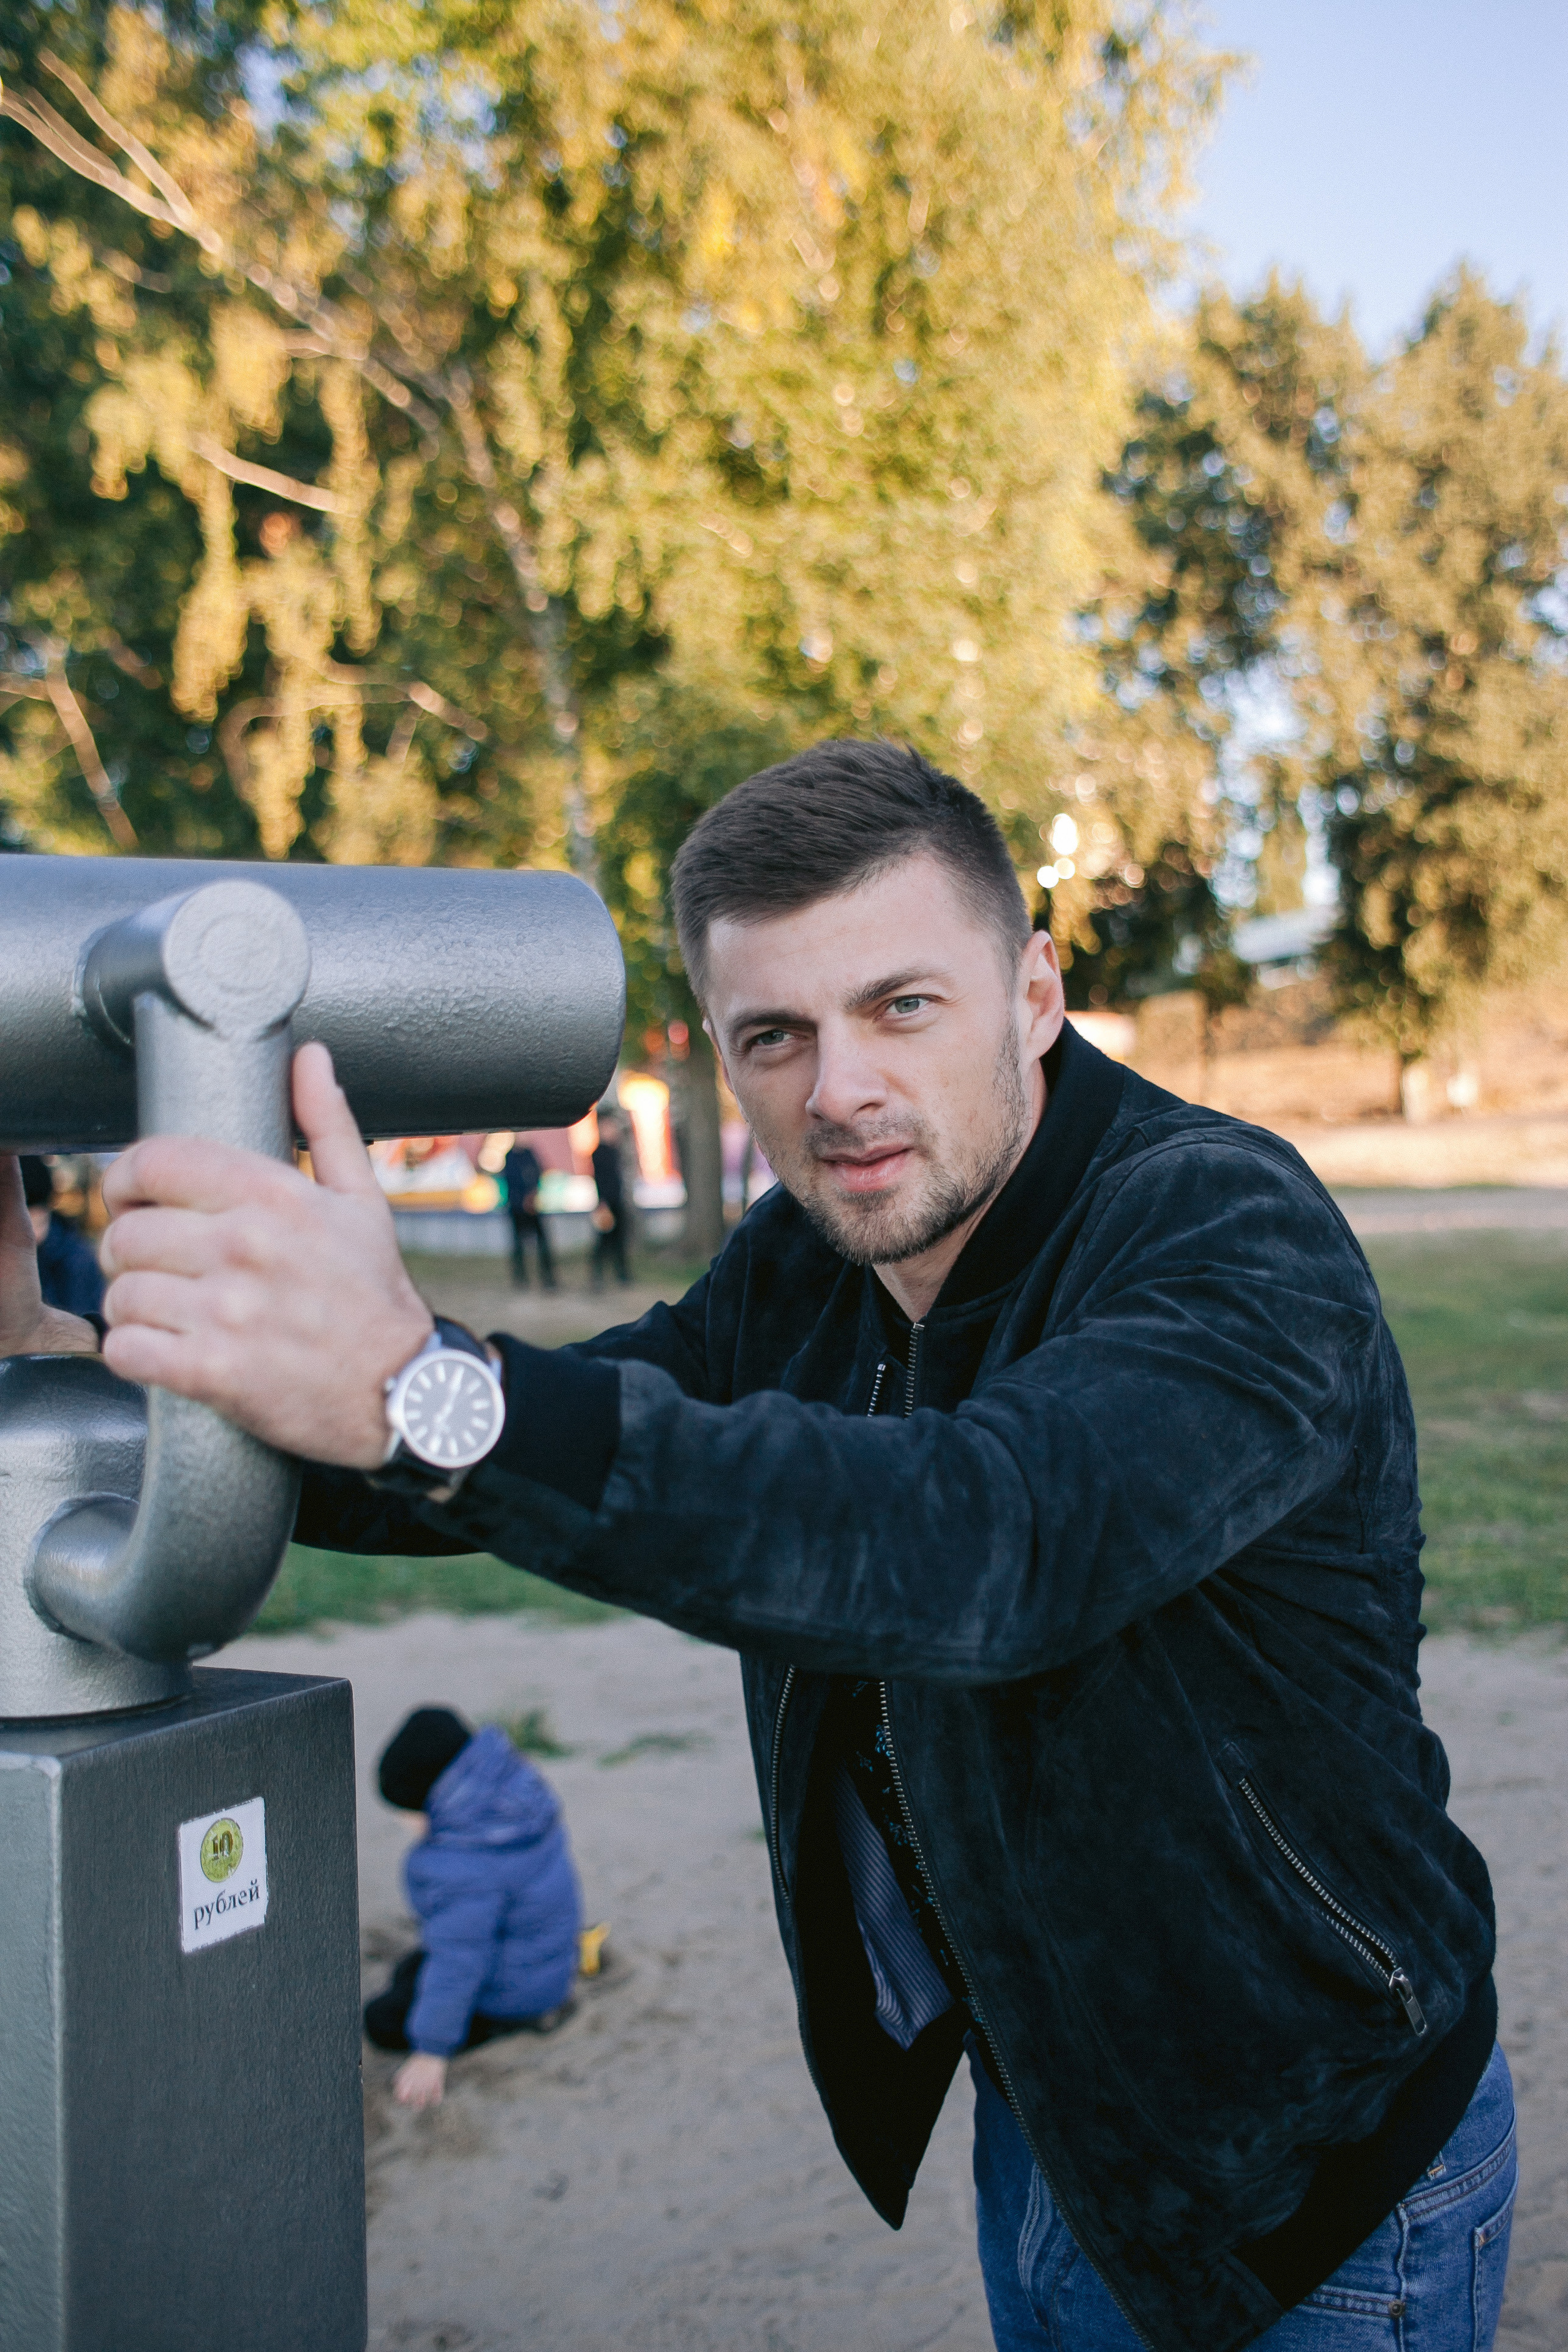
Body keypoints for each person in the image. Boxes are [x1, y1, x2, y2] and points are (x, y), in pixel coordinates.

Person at [0, 740, 1512, 2352]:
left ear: (1036, 995)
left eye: (901, 1007)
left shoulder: (1226, 1230)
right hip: (1068, 2124)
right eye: (773, 1036)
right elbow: (545, 1445)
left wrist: (417, 1389)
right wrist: (87, 1366)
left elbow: (981, 1547)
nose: (838, 1088)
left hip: (1325, 2166)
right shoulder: (809, 1263)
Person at [363, 1707, 582, 2111]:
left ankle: (511, 2024)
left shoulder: (460, 1865)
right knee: (412, 1969)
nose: (407, 1825)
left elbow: (459, 1961)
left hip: (514, 1996)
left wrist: (431, 2051)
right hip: (547, 1963)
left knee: (382, 2020)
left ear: (434, 1799)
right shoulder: (519, 1800)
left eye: (408, 1815)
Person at [20, 1156, 104, 1319]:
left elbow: (91, 1317)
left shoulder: (76, 1259)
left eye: (40, 1224)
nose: (34, 1236)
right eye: (25, 1228)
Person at [502, 1139, 556, 1290]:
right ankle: (521, 1279)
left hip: (533, 1207)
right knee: (519, 1246)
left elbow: (538, 1173)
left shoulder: (530, 1153)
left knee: (543, 1244)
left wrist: (533, 1195)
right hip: (518, 1209)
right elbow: (511, 1180)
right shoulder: (510, 1156)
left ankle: (548, 1278)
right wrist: (522, 1200)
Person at [589, 1109, 631, 1288]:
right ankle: (597, 1275)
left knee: (619, 1240)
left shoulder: (616, 1151)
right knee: (604, 1241)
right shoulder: (599, 1153)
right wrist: (602, 1203)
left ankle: (622, 1274)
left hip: (617, 1201)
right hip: (606, 1203)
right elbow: (600, 1180)